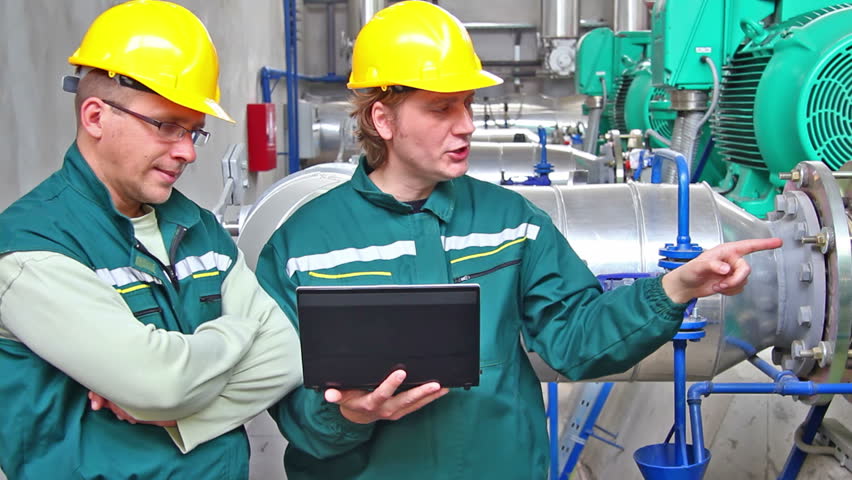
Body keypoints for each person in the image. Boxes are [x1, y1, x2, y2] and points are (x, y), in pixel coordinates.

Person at [254, 1, 783, 479]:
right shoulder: (303, 243)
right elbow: (290, 407)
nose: (465, 125)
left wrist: (672, 289)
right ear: (382, 118)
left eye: (467, 104)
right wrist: (346, 415)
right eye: (441, 108)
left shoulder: (510, 221)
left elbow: (576, 339)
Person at [0, 1, 302, 478]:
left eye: (194, 132)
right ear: (96, 117)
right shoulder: (30, 245)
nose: (186, 152)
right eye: (166, 126)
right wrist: (239, 331)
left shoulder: (197, 226)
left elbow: (285, 358)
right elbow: (157, 383)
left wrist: (186, 412)